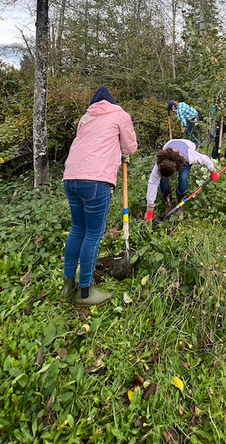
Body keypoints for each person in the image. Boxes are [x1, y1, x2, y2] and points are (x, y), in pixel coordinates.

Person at [61, 87, 138, 306]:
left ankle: (68, 285)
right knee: (93, 234)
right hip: (95, 179)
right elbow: (130, 147)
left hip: (70, 178)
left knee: (77, 228)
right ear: (112, 102)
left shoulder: (85, 118)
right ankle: (85, 292)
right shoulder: (119, 115)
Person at [146, 138, 219, 220]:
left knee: (183, 177)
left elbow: (205, 159)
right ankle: (168, 202)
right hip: (170, 143)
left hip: (187, 146)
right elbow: (152, 183)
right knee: (163, 179)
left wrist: (213, 171)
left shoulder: (189, 156)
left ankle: (179, 203)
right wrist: (149, 210)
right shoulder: (160, 162)